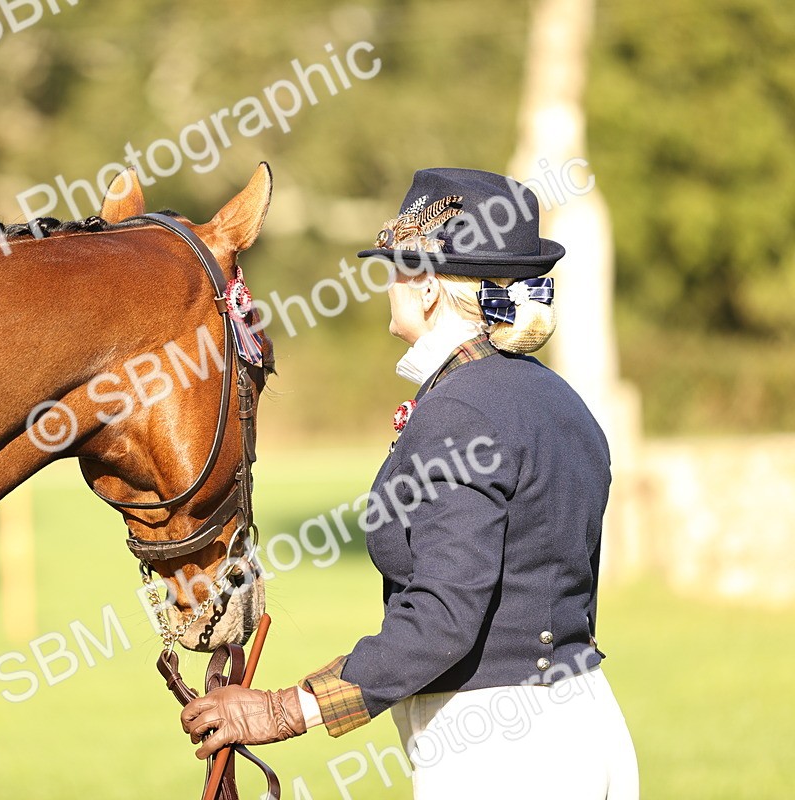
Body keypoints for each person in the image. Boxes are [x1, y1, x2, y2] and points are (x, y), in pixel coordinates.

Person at [180, 168, 639, 798]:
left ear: (427, 288)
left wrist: (283, 710)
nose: (388, 283)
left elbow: (444, 617)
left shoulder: (460, 411)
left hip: (504, 755)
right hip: (588, 726)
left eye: (397, 267)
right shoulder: (560, 398)